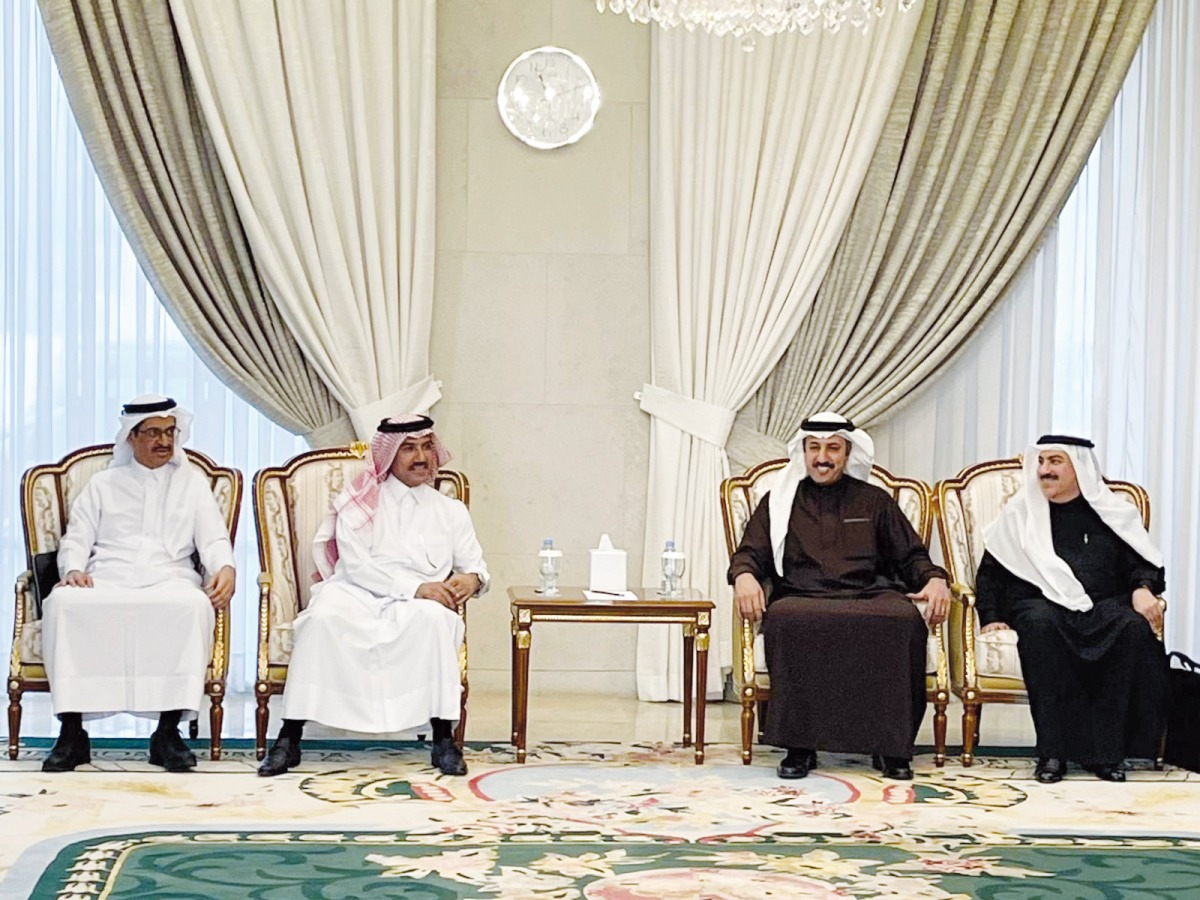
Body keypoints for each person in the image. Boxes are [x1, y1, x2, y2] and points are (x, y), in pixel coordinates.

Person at [258, 415, 489, 778]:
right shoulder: (359, 502)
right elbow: (356, 566)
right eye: (409, 448)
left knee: (434, 621)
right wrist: (415, 588)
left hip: (418, 603)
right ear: (388, 455)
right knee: (320, 621)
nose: (421, 457)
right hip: (355, 591)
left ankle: (444, 737)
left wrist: (472, 580)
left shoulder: (450, 510)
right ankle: (289, 736)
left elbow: (475, 565)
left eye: (427, 447)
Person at [728, 411, 950, 781]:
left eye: (832, 448)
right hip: (803, 595)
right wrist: (745, 576)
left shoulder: (874, 501)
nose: (822, 457)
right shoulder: (779, 502)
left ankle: (891, 748)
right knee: (788, 619)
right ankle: (800, 748)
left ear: (847, 454)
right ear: (803, 452)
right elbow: (750, 551)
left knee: (903, 620)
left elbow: (910, 555)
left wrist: (934, 578)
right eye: (814, 448)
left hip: (869, 594)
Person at [41, 395, 236, 773]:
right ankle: (71, 732)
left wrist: (225, 567)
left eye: (170, 432)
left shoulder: (192, 484)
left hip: (170, 577)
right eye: (153, 433)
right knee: (64, 604)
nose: (164, 441)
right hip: (108, 577)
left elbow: (212, 538)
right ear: (132, 437)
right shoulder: (103, 484)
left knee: (191, 605)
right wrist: (73, 569)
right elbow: (77, 537)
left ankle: (167, 733)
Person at [975, 435, 1167, 783]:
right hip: (1040, 605)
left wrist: (1143, 588)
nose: (1044, 471)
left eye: (1054, 462)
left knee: (1131, 628)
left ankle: (1106, 755)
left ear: (1079, 467)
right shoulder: (1021, 514)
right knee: (1039, 626)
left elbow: (1143, 561)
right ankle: (1053, 754)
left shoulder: (1113, 513)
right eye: (1041, 462)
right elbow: (991, 573)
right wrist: (992, 617)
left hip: (1103, 605)